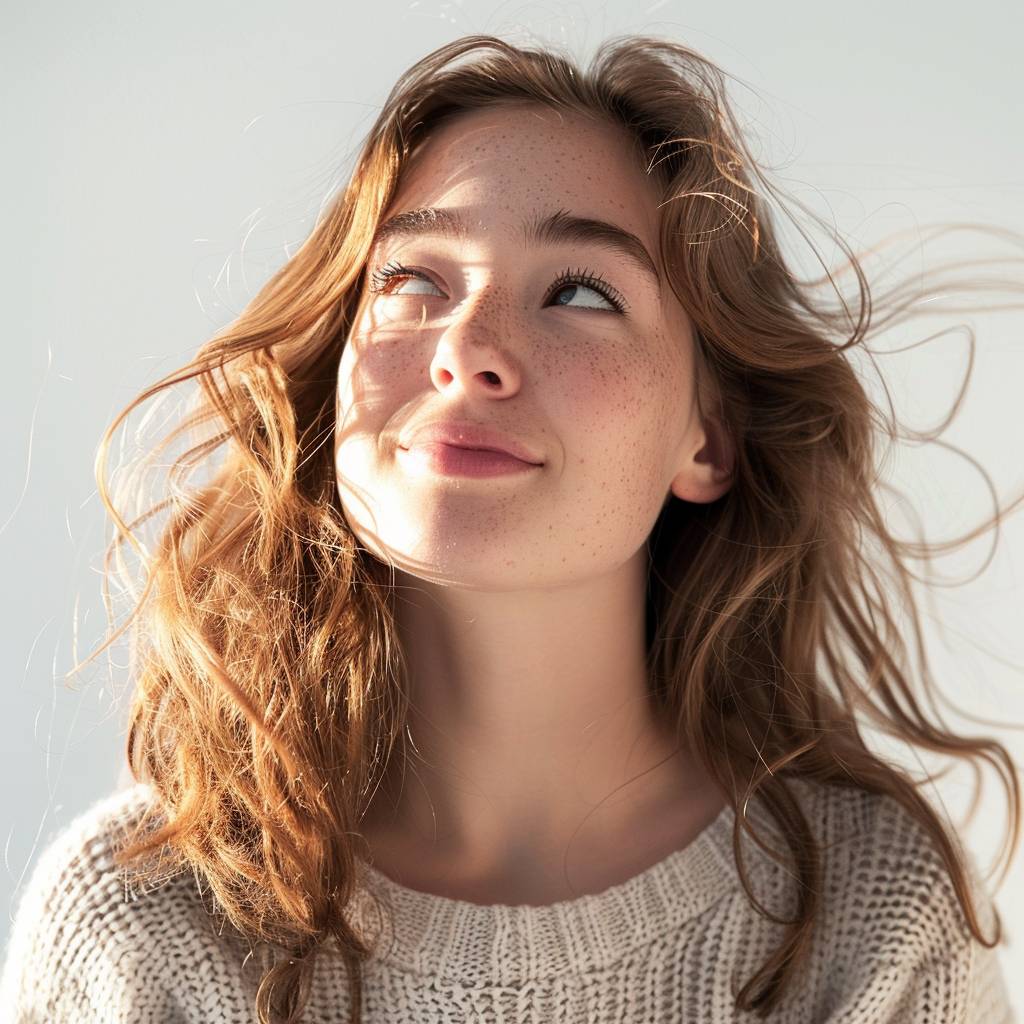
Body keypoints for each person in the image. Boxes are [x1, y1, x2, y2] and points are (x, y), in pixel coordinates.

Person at [1, 32, 1020, 1024]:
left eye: (579, 291)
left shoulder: (867, 914)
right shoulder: (139, 920)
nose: (469, 351)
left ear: (708, 439)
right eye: (411, 281)